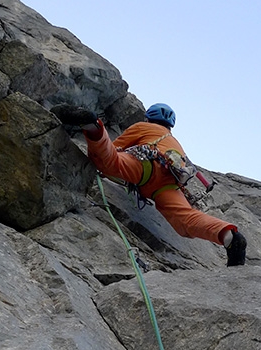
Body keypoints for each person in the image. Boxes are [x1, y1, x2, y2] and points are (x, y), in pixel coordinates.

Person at [51, 102, 247, 266]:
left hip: (146, 166)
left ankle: (93, 126)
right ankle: (228, 236)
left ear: (148, 117)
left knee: (108, 161)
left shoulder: (144, 127)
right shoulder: (175, 141)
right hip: (168, 183)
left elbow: (115, 149)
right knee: (185, 221)